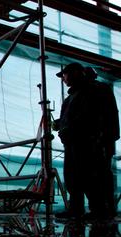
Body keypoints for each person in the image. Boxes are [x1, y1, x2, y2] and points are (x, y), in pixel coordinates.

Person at [54, 62, 108, 219]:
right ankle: (77, 209)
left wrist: (66, 127)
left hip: (84, 141)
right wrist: (60, 123)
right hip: (72, 141)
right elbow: (72, 118)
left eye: (64, 75)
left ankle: (97, 210)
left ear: (75, 73)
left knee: (87, 175)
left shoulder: (89, 92)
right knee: (73, 176)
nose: (63, 79)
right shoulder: (73, 96)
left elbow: (87, 117)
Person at [85, 67, 119, 217]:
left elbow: (95, 116)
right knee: (103, 174)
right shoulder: (103, 89)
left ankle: (101, 209)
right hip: (105, 138)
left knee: (98, 174)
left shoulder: (95, 90)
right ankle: (106, 208)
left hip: (100, 139)